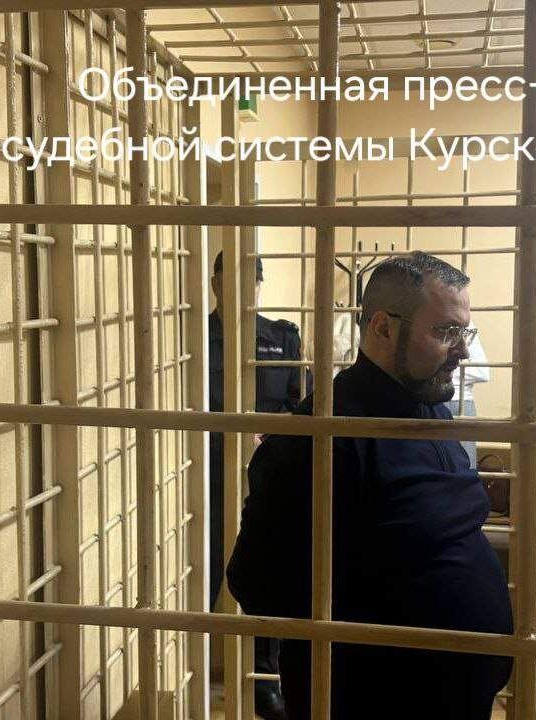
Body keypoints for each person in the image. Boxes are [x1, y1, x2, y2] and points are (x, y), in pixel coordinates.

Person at [227, 252, 513, 720]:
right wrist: (378, 607)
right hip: (373, 697)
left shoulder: (430, 406)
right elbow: (256, 583)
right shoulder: (322, 436)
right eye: (446, 331)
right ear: (382, 327)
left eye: (465, 332)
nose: (463, 350)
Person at [208, 250, 310, 720]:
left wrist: (268, 431)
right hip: (206, 474)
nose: (242, 287)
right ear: (214, 282)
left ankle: (264, 678)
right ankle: (197, 668)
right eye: (231, 278)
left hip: (268, 476)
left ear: (259, 285)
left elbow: (301, 405)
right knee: (204, 567)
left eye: (252, 279)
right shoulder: (194, 337)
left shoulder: (282, 338)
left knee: (270, 571)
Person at [445, 322, 488, 467]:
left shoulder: (465, 322)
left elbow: (482, 372)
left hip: (462, 401)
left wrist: (444, 372)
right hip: (437, 398)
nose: (464, 353)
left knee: (466, 465)